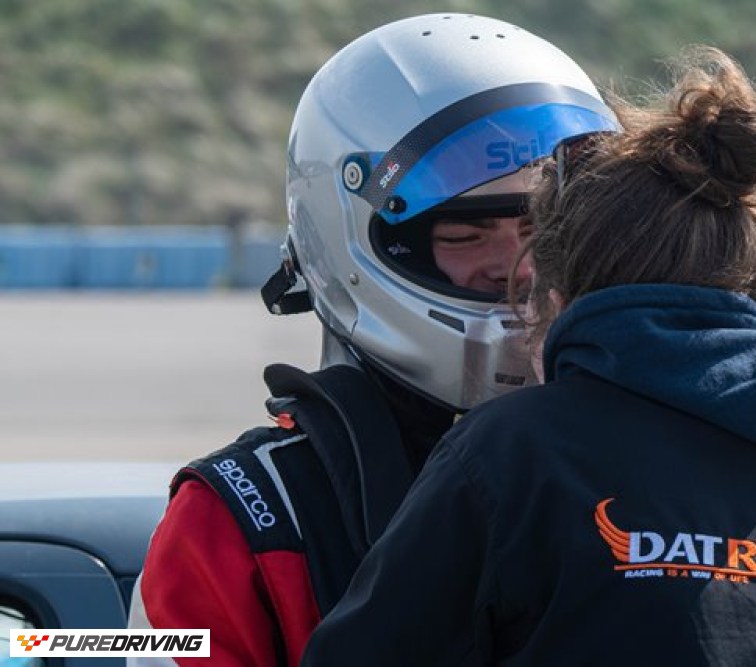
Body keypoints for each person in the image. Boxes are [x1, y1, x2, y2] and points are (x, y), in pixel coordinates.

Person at [302, 46, 756, 665]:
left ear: (557, 295)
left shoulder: (513, 454)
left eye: (529, 247)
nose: (509, 282)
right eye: (465, 236)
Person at [127, 13, 619, 667]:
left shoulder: (656, 457)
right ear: (352, 243)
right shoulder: (236, 524)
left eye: (541, 231)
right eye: (464, 235)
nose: (519, 270)